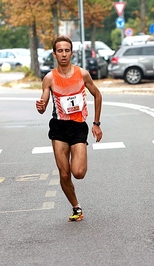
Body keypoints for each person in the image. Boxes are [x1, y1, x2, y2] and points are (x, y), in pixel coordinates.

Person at [36, 36, 103, 221]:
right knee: (64, 173)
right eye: (60, 51)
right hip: (58, 128)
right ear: (54, 54)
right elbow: (44, 102)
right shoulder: (49, 78)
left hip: (78, 126)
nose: (64, 54)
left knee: (78, 173)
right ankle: (76, 207)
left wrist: (96, 124)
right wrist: (41, 106)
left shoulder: (82, 74)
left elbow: (97, 95)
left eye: (67, 50)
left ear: (72, 53)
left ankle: (76, 201)